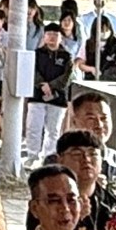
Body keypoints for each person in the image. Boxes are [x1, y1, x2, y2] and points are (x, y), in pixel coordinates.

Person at [65, 91, 116, 218]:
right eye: (91, 118)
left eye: (104, 118)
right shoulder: (59, 161)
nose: (99, 125)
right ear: (74, 121)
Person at [26, 23, 73, 159]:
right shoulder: (36, 54)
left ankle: (49, 157)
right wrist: (42, 85)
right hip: (37, 96)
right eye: (49, 34)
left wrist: (51, 86)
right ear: (44, 36)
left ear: (61, 38)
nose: (52, 38)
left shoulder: (67, 57)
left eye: (56, 35)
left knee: (53, 131)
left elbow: (67, 77)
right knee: (33, 127)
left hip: (58, 98)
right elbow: (32, 71)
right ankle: (32, 154)